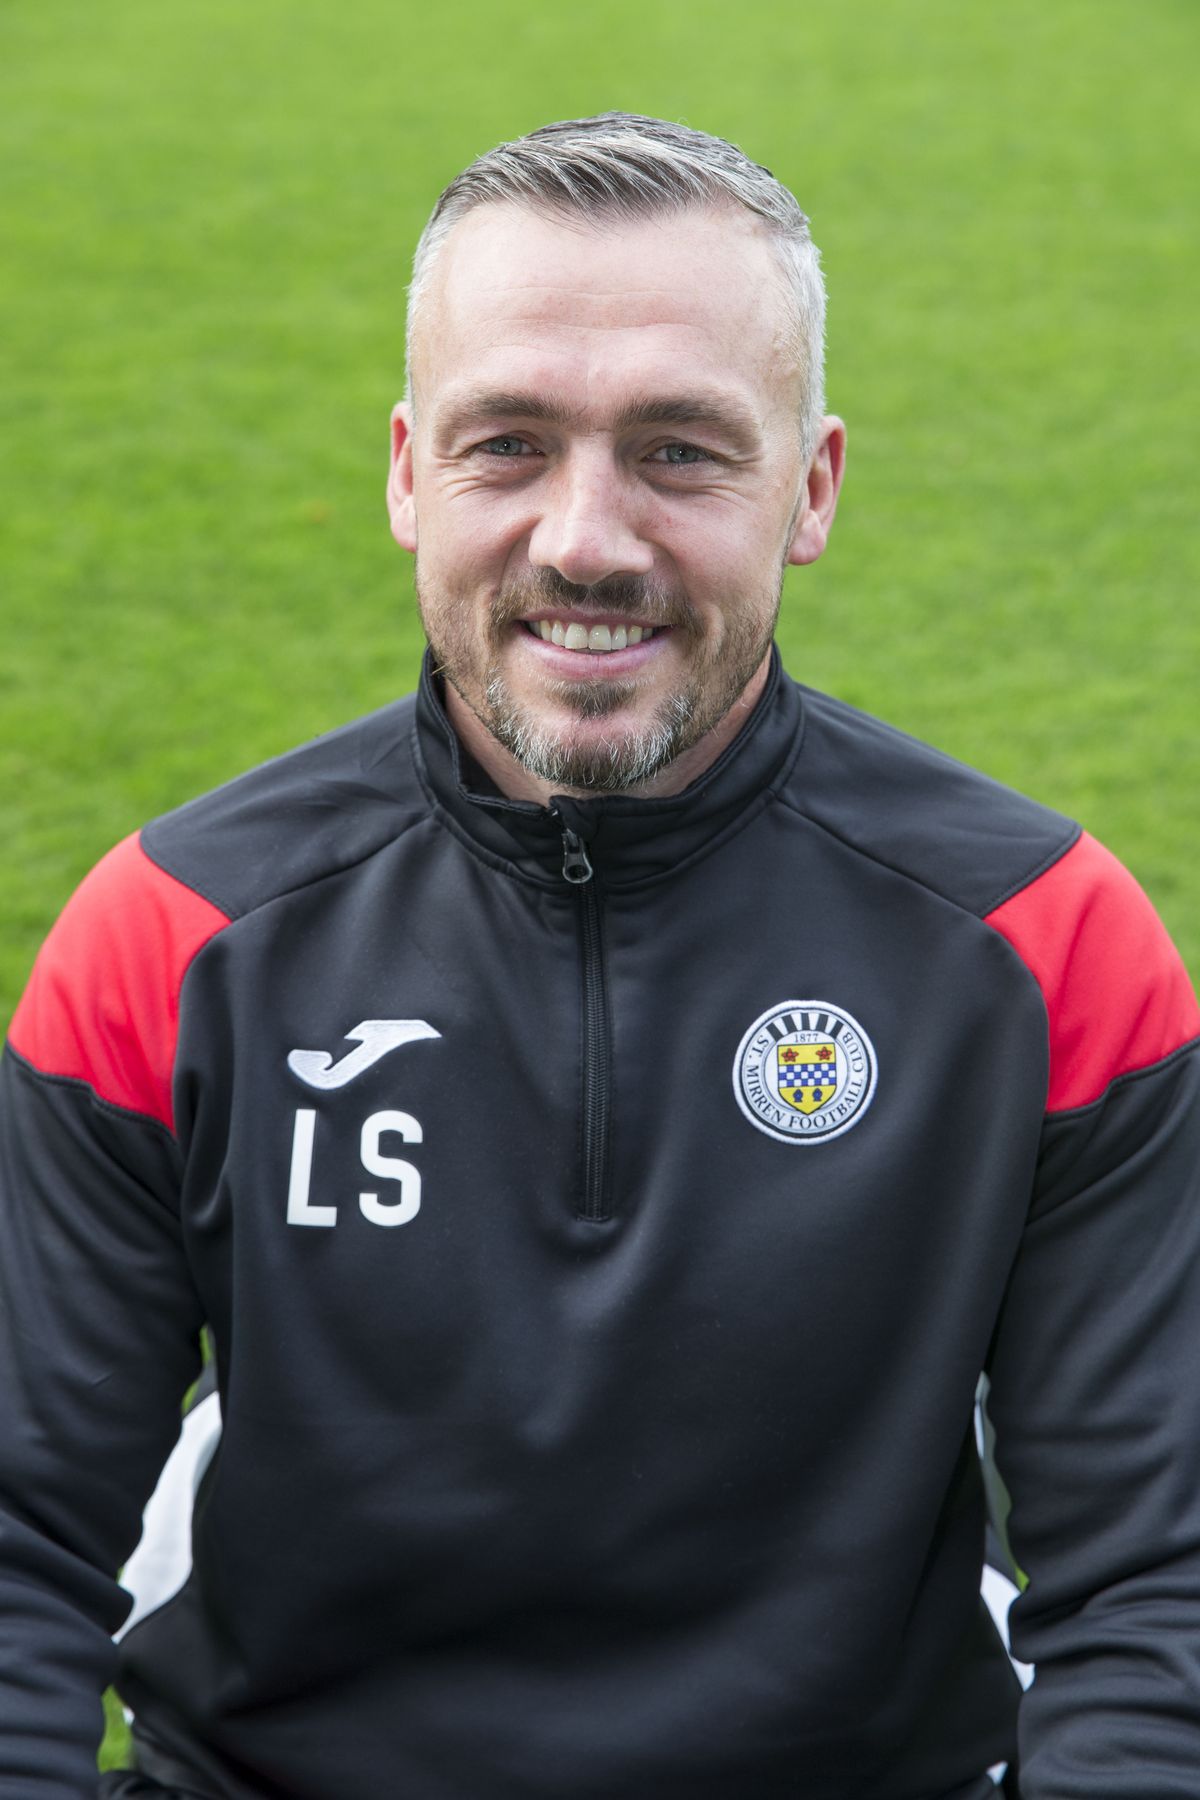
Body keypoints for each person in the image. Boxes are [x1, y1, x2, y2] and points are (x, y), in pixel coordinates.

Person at [1, 113, 1199, 1800]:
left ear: (814, 486)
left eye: (682, 452)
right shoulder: (172, 941)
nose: (586, 539)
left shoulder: (1049, 951)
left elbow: (1154, 1588)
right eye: (509, 446)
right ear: (410, 472)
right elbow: (17, 1545)